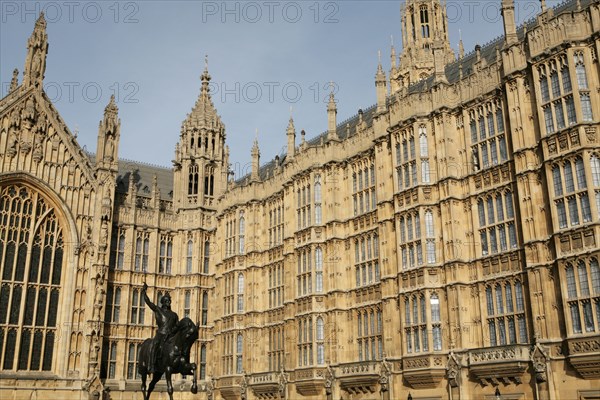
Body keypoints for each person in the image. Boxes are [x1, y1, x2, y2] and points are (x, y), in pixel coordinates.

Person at [142, 282, 179, 374]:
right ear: (163, 302)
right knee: (154, 345)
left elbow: (177, 326)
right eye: (167, 301)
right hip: (161, 334)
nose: (169, 302)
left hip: (170, 336)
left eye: (169, 301)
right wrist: (144, 291)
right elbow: (149, 302)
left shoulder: (174, 315)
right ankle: (151, 366)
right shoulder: (158, 310)